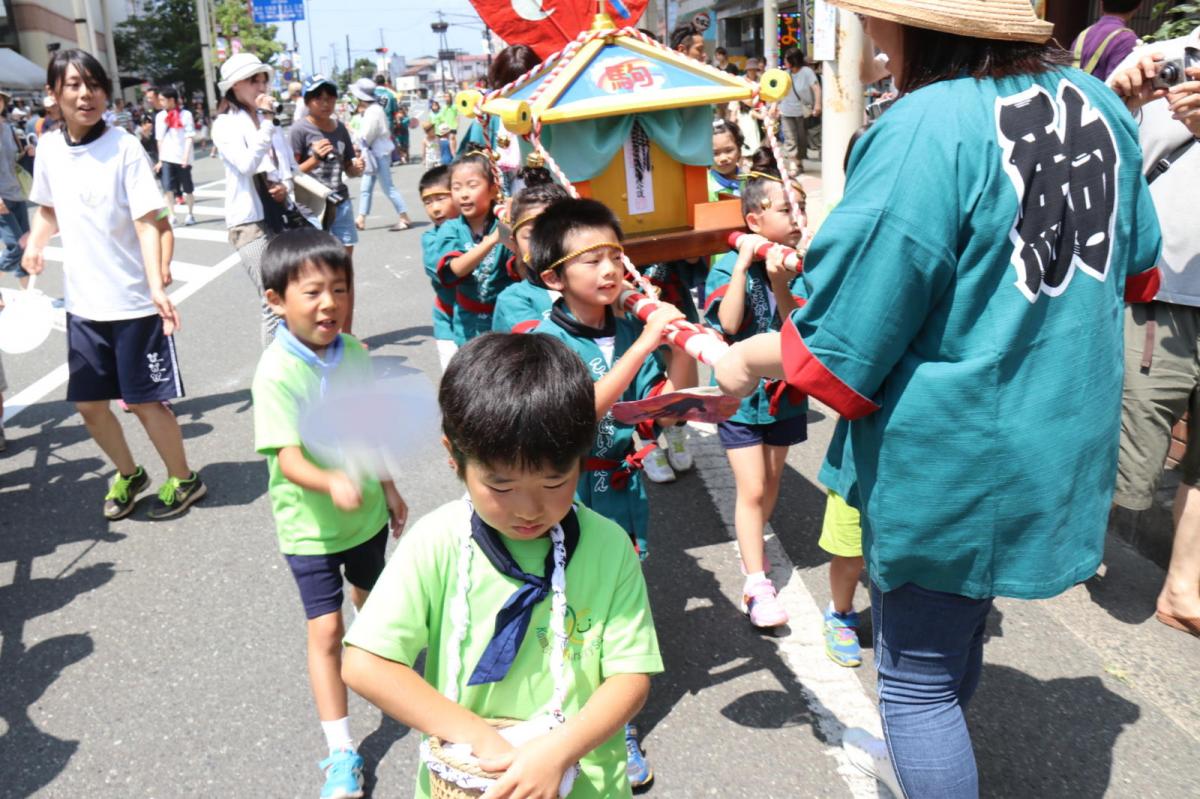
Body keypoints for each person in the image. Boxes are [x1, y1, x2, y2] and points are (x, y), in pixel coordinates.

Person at [713, 0, 1162, 794]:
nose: (876, 44)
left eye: (877, 26)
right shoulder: (1096, 103)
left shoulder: (926, 123)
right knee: (954, 639)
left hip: (954, 451)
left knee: (915, 679)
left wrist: (745, 358)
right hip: (1060, 425)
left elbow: (844, 342)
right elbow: (1140, 270)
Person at [342, 332, 662, 799]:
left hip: (585, 781)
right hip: (472, 779)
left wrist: (557, 752)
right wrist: (481, 739)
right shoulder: (438, 543)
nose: (529, 508)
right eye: (502, 486)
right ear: (454, 458)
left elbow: (631, 675)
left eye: (555, 481)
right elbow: (365, 662)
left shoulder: (608, 546)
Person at [531, 198, 693, 788]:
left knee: (621, 606)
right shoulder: (545, 337)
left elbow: (678, 397)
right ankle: (567, 715)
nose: (610, 270)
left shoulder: (630, 324)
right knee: (572, 606)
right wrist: (647, 342)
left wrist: (677, 343)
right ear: (554, 277)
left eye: (615, 255)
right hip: (569, 494)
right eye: (591, 259)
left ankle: (617, 722)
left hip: (623, 488)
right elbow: (577, 415)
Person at [251, 228, 408, 799]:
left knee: (376, 603)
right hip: (309, 531)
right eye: (312, 292)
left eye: (339, 289)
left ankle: (392, 668)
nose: (329, 304)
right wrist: (329, 480)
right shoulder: (276, 372)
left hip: (364, 517)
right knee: (327, 629)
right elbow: (287, 457)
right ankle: (341, 749)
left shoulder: (357, 353)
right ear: (275, 300)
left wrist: (387, 485)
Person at [23, 49, 208, 521]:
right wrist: (37, 244)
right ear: (54, 94)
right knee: (89, 406)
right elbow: (48, 209)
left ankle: (184, 479)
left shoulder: (124, 146)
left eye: (95, 85)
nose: (86, 94)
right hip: (83, 306)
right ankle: (130, 473)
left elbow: (149, 222)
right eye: (74, 85)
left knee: (146, 403)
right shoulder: (47, 147)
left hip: (131, 303)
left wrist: (157, 287)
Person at [1108, 31, 1200, 637]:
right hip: (1162, 291)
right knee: (1127, 443)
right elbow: (1100, 166)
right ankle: (1058, 540)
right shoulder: (1162, 55)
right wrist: (1119, 97)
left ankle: (1183, 589)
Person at [704, 151, 808, 630]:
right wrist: (746, 268)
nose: (796, 219)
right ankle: (755, 583)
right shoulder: (727, 265)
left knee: (770, 483)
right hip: (740, 396)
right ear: (754, 219)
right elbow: (726, 324)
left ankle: (754, 543)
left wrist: (780, 282)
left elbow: (796, 330)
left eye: (800, 209)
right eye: (786, 209)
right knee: (752, 487)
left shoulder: (794, 265)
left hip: (785, 394)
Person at [210, 52, 296, 348]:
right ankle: (274, 382)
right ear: (234, 86)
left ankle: (295, 367)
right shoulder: (224, 125)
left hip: (279, 215)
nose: (261, 86)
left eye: (263, 79)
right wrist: (268, 123)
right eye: (252, 80)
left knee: (292, 294)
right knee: (273, 298)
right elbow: (247, 164)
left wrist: (283, 186)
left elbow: (287, 166)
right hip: (249, 222)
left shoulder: (268, 122)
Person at [433, 149, 512, 342]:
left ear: (493, 189)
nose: (464, 195)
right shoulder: (450, 228)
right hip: (469, 324)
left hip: (506, 320)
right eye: (456, 187)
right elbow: (456, 269)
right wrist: (493, 240)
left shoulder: (504, 223)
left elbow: (523, 270)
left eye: (472, 185)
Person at [290, 75, 365, 254]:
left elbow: (348, 166)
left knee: (345, 260)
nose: (325, 103)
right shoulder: (299, 130)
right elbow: (290, 173)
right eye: (318, 98)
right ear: (307, 102)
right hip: (311, 206)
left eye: (330, 98)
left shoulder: (340, 128)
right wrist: (315, 159)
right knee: (319, 259)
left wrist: (356, 169)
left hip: (340, 201)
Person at [491, 167, 569, 334]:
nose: (544, 242)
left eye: (555, 231)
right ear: (515, 244)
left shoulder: (595, 284)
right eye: (530, 235)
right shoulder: (513, 300)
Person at [350, 78, 411, 232]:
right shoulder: (373, 109)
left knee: (387, 187)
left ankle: (404, 216)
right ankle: (361, 218)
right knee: (366, 187)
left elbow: (367, 135)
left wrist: (355, 136)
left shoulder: (373, 111)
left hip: (377, 153)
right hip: (373, 153)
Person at [418, 164, 462, 371]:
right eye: (427, 202)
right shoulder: (431, 238)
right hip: (449, 322)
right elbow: (443, 272)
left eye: (441, 198)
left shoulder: (479, 228)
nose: (435, 208)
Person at [1, 89, 31, 288]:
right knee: (15, 247)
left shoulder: (8, 128)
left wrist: (27, 153)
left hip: (16, 193)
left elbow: (13, 160)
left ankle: (27, 294)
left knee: (26, 245)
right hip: (1, 197)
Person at [154, 88, 197, 226]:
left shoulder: (186, 114)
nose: (160, 103)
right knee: (167, 188)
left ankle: (190, 214)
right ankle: (172, 215)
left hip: (182, 158)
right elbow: (159, 139)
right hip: (167, 157)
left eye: (162, 100)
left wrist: (185, 157)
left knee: (187, 188)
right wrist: (160, 160)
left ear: (171, 100)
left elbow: (189, 136)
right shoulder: (160, 117)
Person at [1071, 0, 1142, 80]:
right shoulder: (1127, 39)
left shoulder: (1083, 35)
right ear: (1138, 7)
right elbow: (1115, 85)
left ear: (1101, 3)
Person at [778, 48, 820, 175]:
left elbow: (816, 88)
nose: (784, 61)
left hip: (802, 112)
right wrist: (775, 106)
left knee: (802, 139)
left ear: (793, 60)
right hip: (786, 111)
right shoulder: (785, 74)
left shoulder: (807, 72)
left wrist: (818, 105)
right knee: (790, 138)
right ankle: (793, 164)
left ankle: (799, 162)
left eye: (786, 59)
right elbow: (779, 92)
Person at [733, 58, 765, 156]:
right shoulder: (741, 81)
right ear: (747, 70)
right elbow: (737, 101)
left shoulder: (761, 81)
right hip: (745, 112)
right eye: (750, 69)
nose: (752, 72)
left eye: (754, 69)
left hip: (758, 110)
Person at [709, 119, 743, 201]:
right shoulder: (703, 189)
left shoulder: (751, 183)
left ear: (739, 150)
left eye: (729, 150)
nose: (723, 158)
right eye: (715, 153)